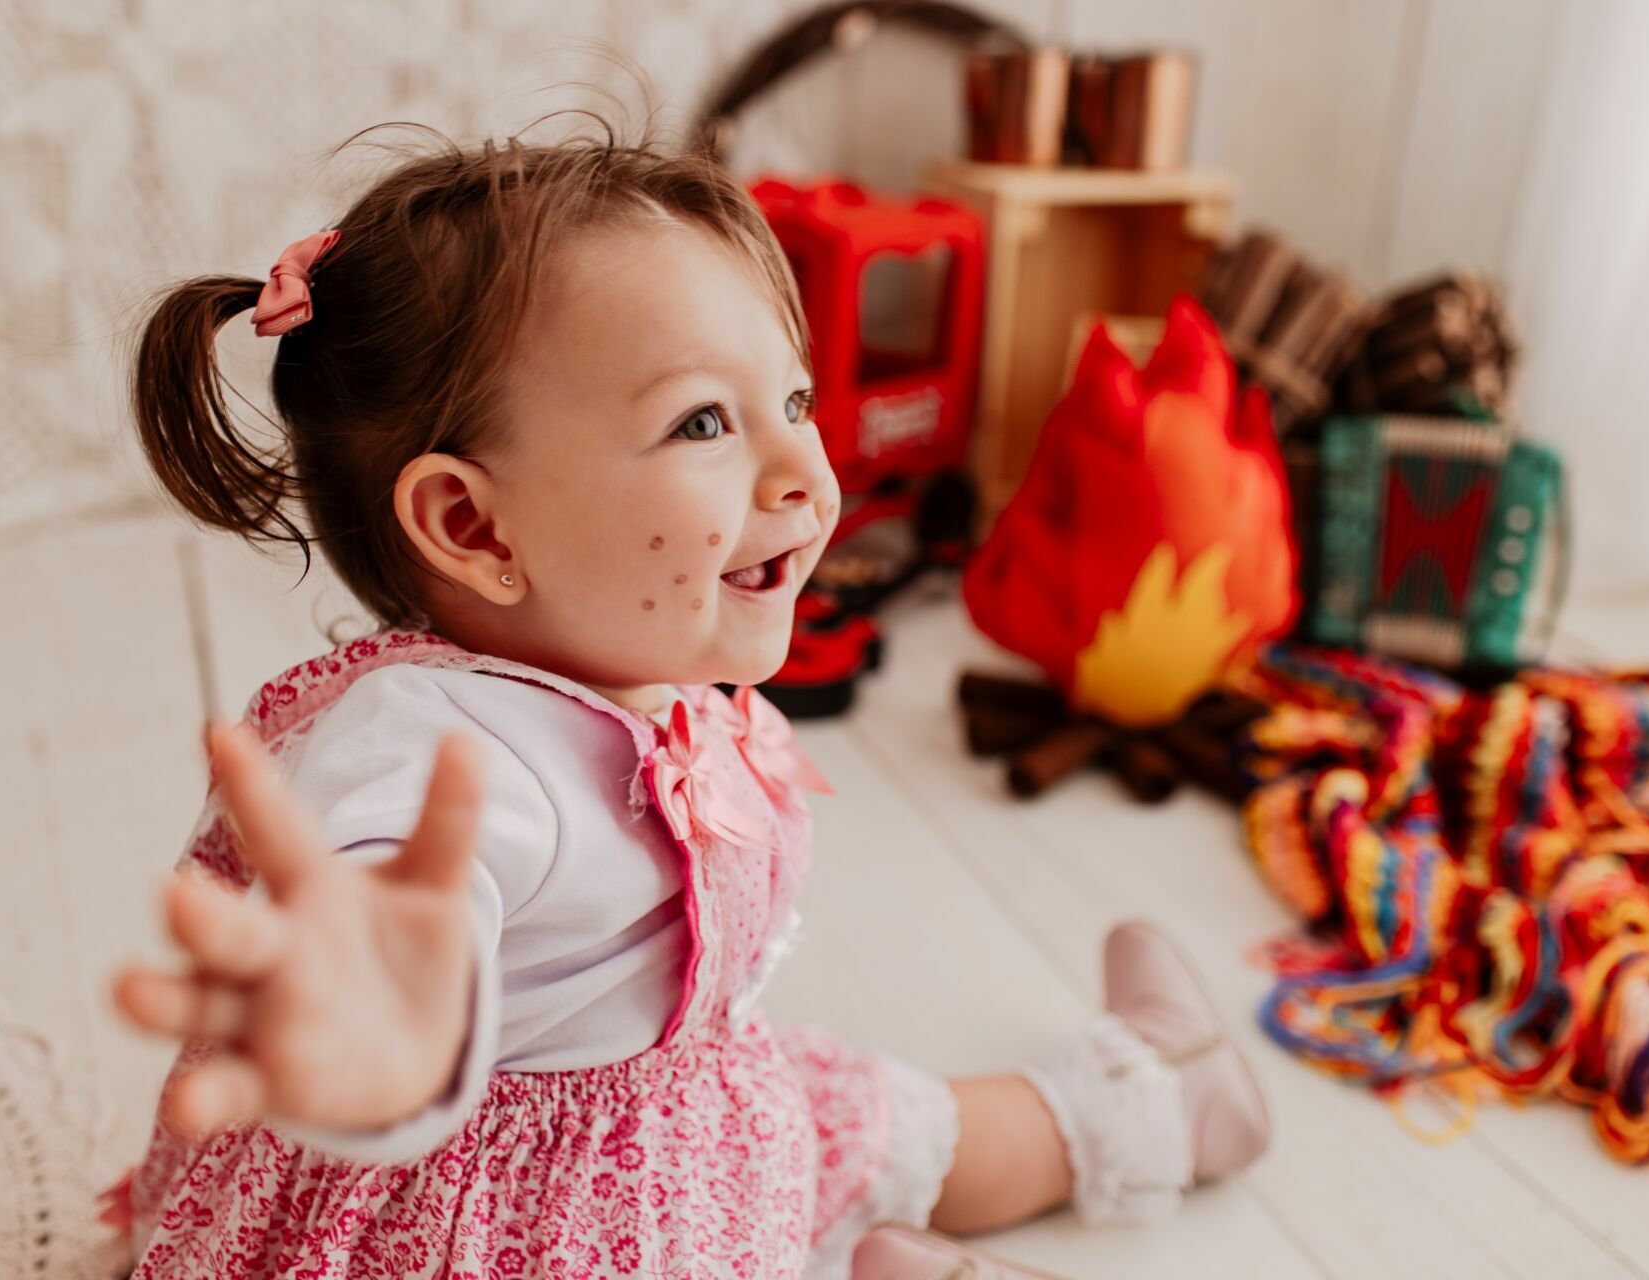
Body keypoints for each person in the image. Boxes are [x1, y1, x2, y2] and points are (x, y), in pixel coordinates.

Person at [106, 123, 1269, 1279]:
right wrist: (381, 1027)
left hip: (680, 1124)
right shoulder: (435, 756)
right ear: (475, 525)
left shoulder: (622, 657)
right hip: (526, 1236)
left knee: (874, 1122)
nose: (804, 472)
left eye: (796, 401)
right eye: (703, 422)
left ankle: (1162, 1098)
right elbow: (387, 907)